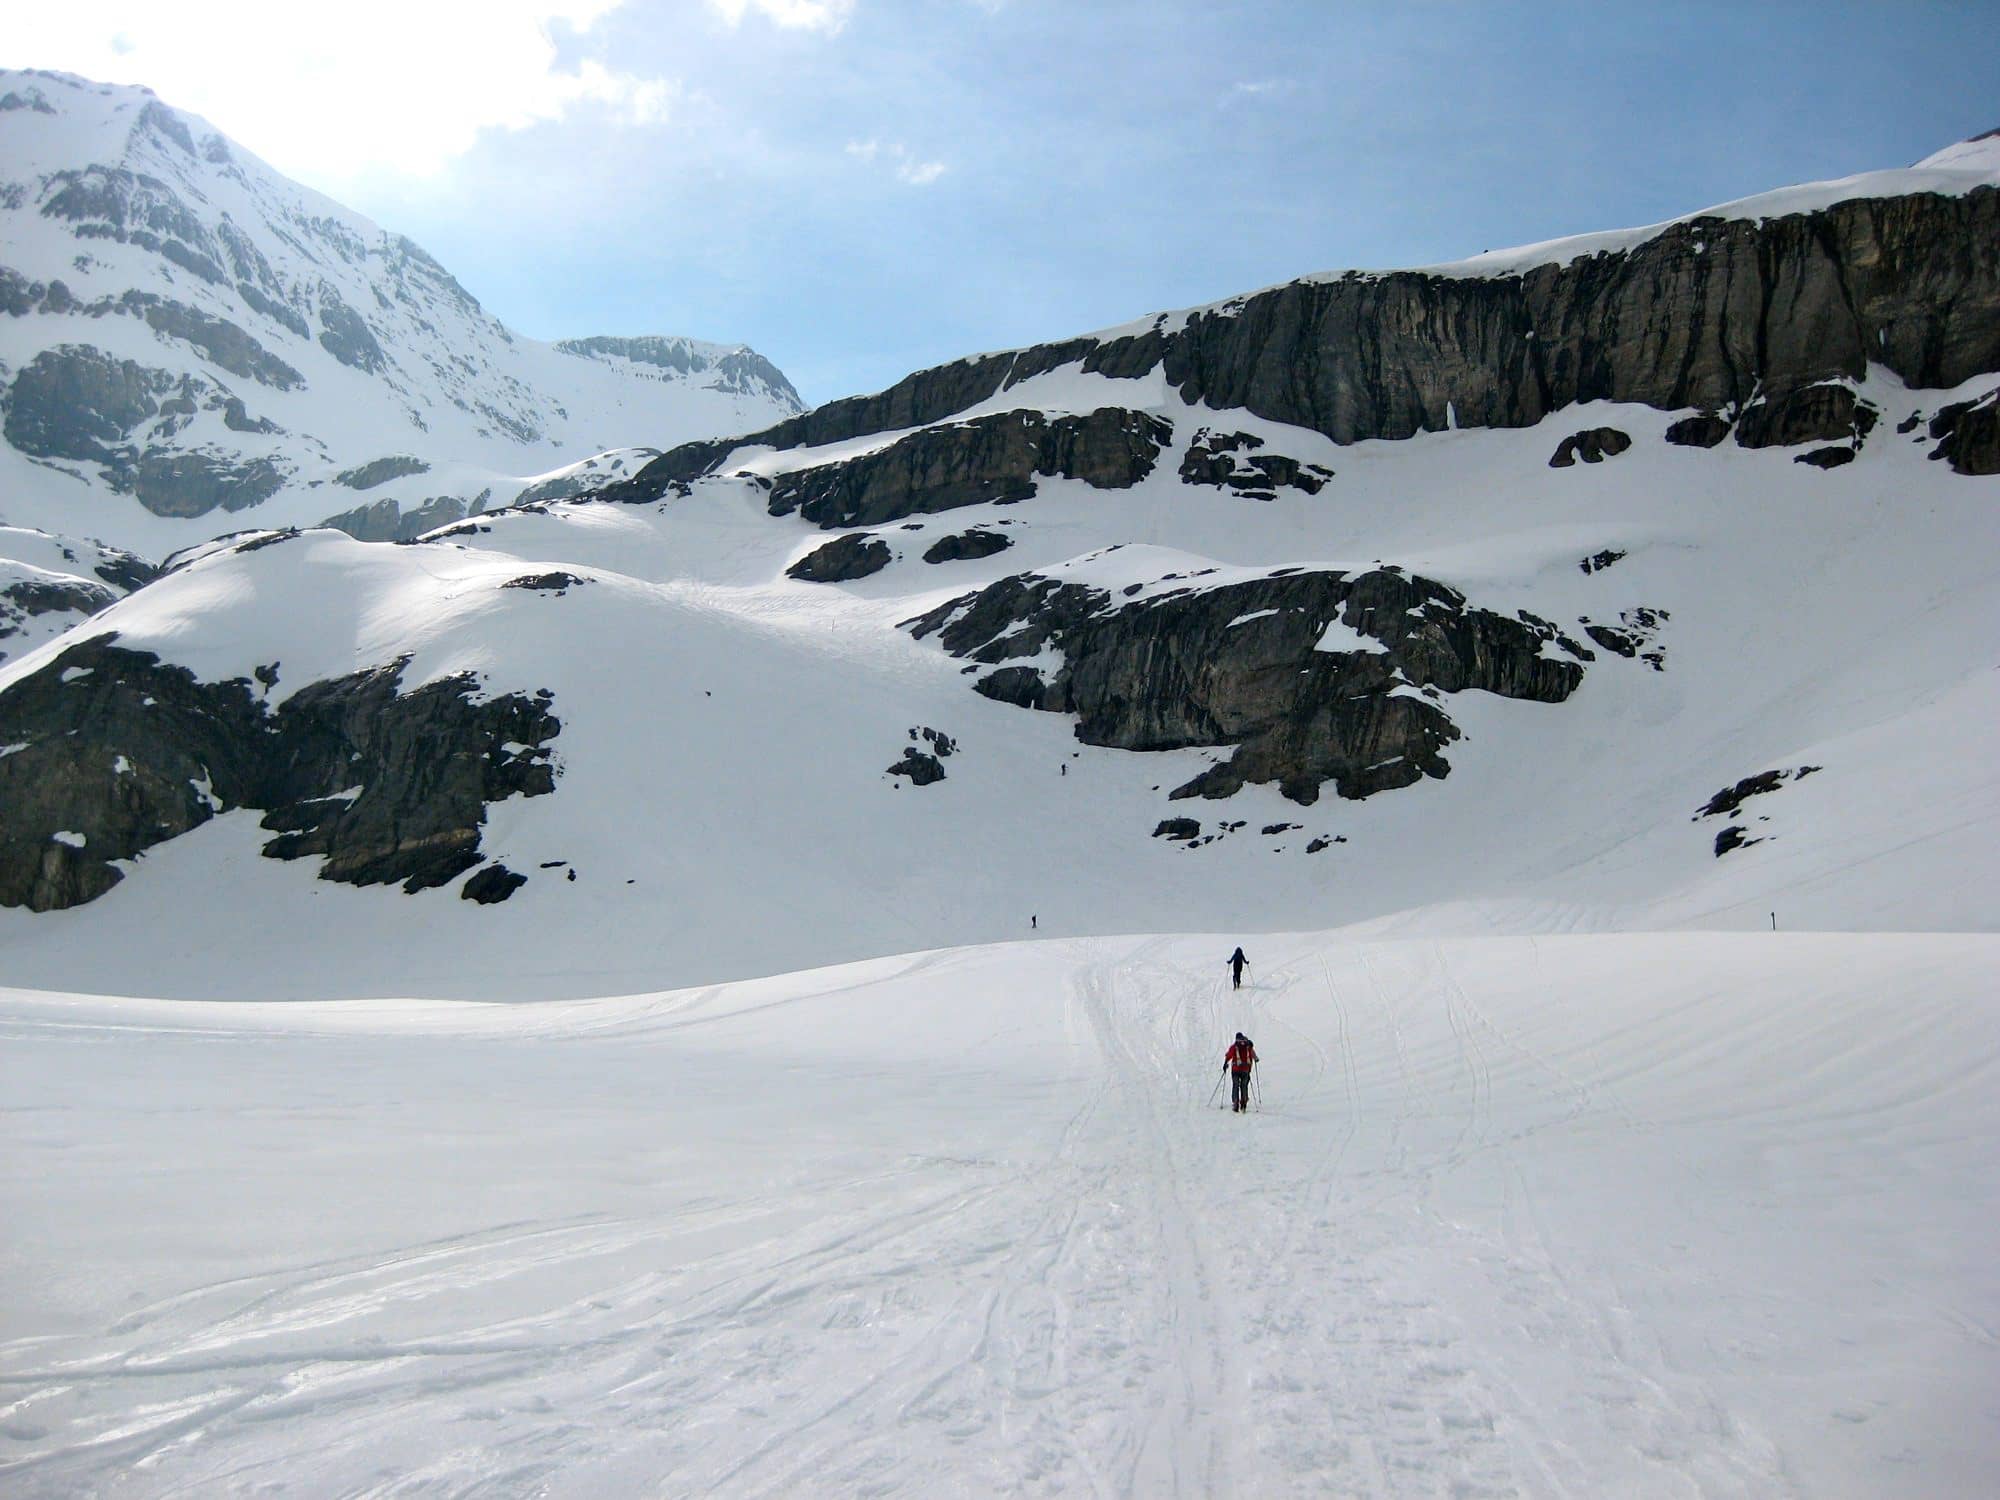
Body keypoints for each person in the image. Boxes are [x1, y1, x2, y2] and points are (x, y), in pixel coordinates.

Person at [1224, 1032, 1258, 1113]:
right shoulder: (1248, 1046)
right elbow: (1254, 1056)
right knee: (1244, 1086)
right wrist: (1255, 1060)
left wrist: (1225, 1063)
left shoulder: (1234, 1046)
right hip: (1245, 1069)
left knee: (1235, 1085)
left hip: (1235, 1069)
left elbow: (1229, 1055)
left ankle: (1236, 1103)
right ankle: (1244, 1103)